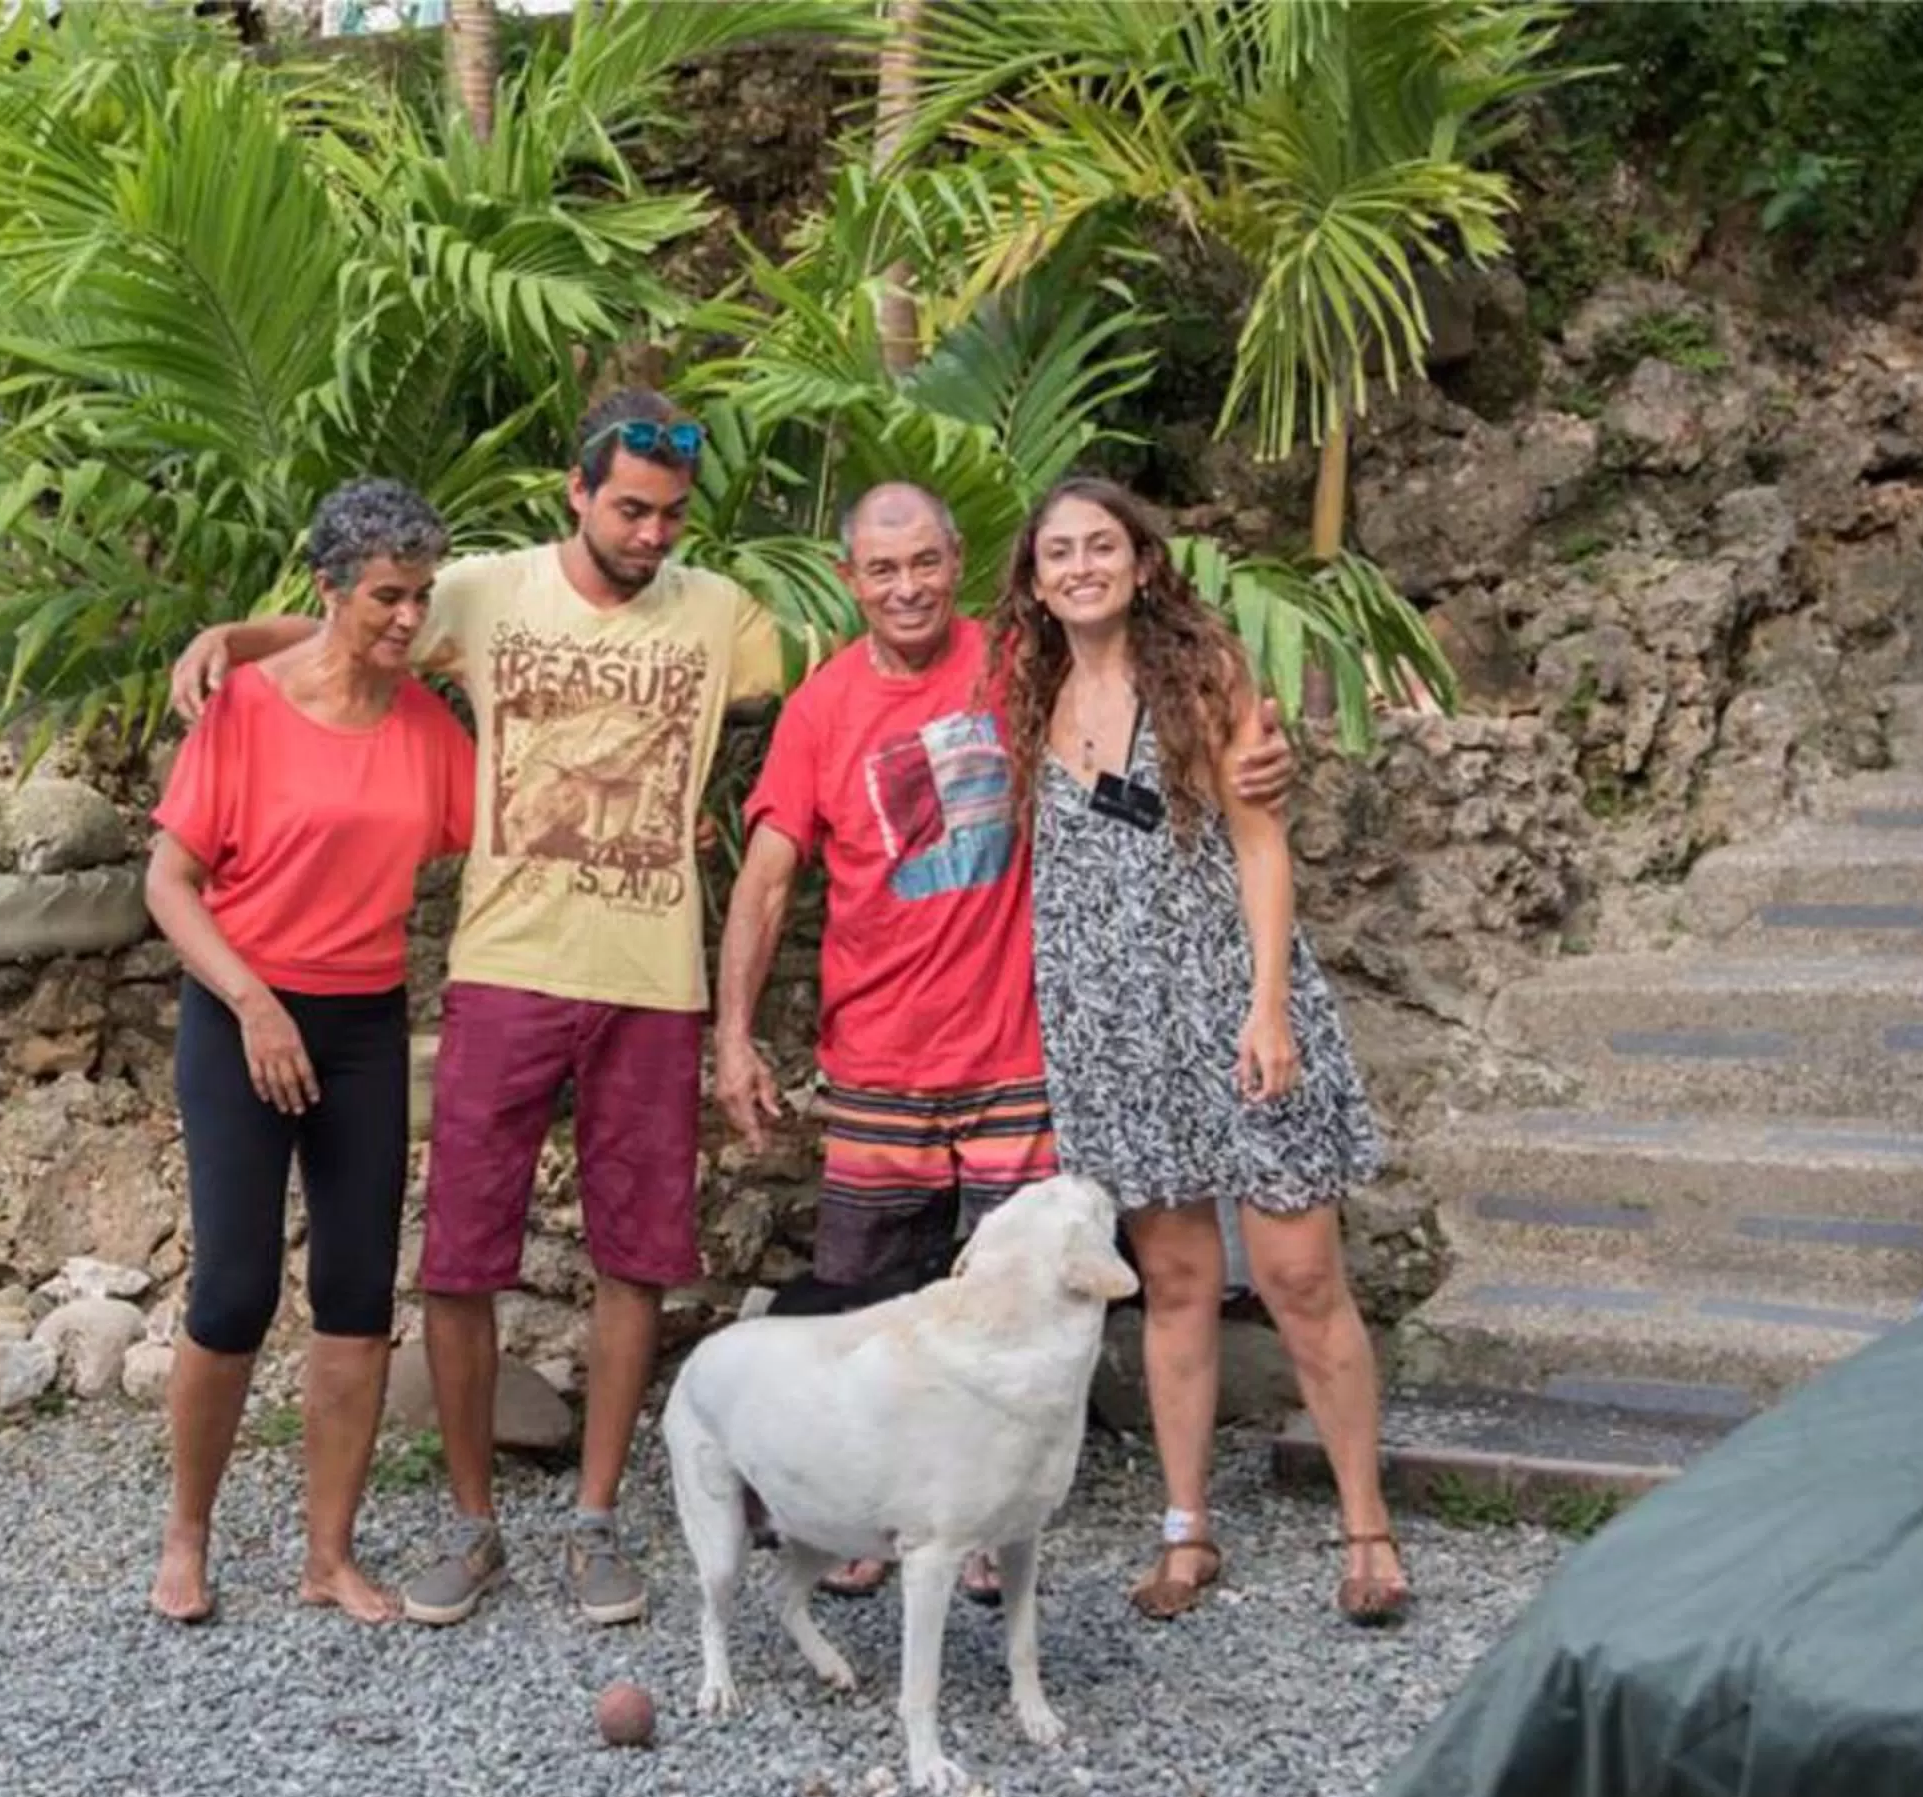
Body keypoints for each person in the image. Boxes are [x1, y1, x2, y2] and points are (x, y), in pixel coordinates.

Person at [167, 389, 786, 1629]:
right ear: (576, 488)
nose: (653, 533)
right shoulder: (486, 595)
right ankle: (446, 1523)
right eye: (629, 507)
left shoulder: (725, 617)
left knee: (616, 1259)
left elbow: (848, 675)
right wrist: (231, 637)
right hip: (487, 972)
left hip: (625, 980)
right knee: (411, 1264)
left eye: (671, 514)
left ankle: (576, 1524)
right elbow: (361, 621)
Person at [714, 481, 1295, 1599]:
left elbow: (1175, 711)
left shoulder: (1019, 666)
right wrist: (734, 1034)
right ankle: (871, 1517)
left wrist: (1270, 758)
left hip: (1018, 1056)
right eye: (882, 570)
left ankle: (979, 1523)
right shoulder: (822, 708)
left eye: (926, 562)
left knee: (1015, 1314)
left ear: (958, 560)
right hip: (878, 1054)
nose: (906, 587)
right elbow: (769, 874)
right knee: (864, 1303)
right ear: (850, 582)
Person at [997, 475, 1410, 1626]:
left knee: (1298, 1275)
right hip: (1108, 1028)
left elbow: (1262, 844)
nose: (1081, 566)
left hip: (1230, 1004)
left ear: (1141, 560)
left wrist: (1268, 1003)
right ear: (1034, 578)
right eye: (1058, 552)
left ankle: (1366, 1523)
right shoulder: (1030, 693)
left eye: (1101, 545)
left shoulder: (1203, 673)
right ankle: (1186, 1529)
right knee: (1173, 1280)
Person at [142, 478, 477, 1628]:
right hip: (241, 1014)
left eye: (422, 596)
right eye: (386, 594)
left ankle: (327, 1554)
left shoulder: (432, 729)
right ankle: (187, 1535)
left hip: (365, 1027)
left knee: (353, 1296)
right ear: (330, 589)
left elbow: (515, 838)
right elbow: (168, 884)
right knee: (232, 1290)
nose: (406, 617)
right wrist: (253, 1001)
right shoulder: (246, 707)